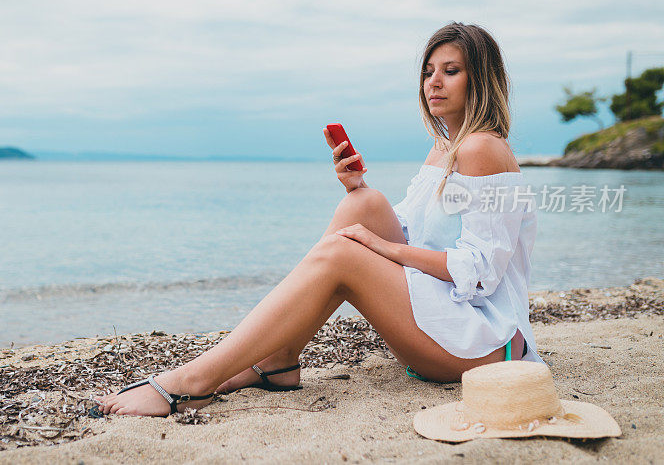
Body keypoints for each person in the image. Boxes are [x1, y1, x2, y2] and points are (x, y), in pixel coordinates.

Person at [94, 22, 541, 417]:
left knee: (344, 251)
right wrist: (356, 189)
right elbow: (411, 229)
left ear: (480, 78)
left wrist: (385, 249)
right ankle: (280, 357)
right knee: (363, 206)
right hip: (446, 319)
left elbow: (482, 272)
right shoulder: (445, 146)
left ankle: (191, 383)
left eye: (451, 70)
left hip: (485, 345)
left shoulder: (483, 148)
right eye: (428, 72)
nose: (433, 83)